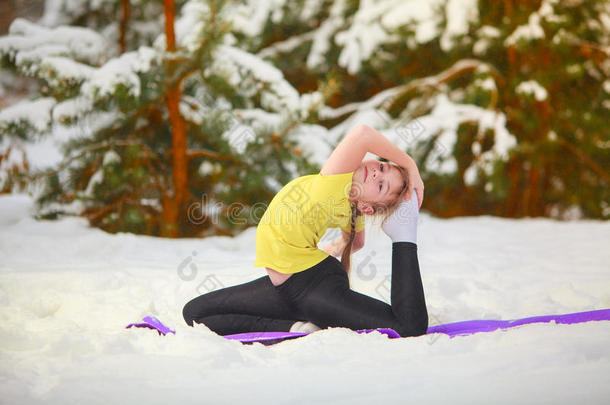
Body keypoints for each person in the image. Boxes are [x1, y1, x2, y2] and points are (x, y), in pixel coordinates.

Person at [182, 124, 428, 337]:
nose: (376, 172)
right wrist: (335, 248)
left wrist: (409, 165)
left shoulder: (333, 185)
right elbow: (357, 241)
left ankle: (404, 237)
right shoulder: (341, 194)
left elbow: (363, 134)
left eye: (381, 185)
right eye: (384, 167)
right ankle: (293, 327)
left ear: (365, 206)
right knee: (194, 313)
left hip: (314, 289)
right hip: (288, 287)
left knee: (407, 327)